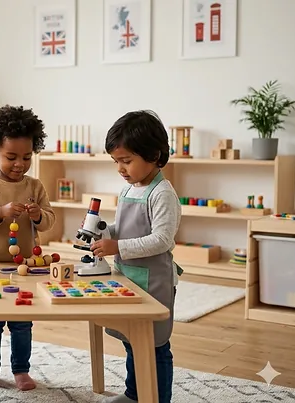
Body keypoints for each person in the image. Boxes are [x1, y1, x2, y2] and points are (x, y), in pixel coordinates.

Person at [90, 110, 182, 403]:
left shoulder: (162, 194)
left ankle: (158, 398)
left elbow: (161, 239)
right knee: (133, 340)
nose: (120, 168)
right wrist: (103, 230)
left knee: (155, 344)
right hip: (129, 277)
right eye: (116, 161)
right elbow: (126, 227)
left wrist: (117, 246)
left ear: (154, 155)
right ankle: (135, 393)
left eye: (126, 161)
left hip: (153, 281)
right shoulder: (130, 187)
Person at [0, 105, 56, 391]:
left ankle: (21, 370)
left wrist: (37, 215)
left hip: (26, 267)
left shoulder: (35, 185)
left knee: (22, 324)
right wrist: (1, 212)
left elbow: (49, 221)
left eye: (27, 157)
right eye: (11, 157)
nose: (20, 163)